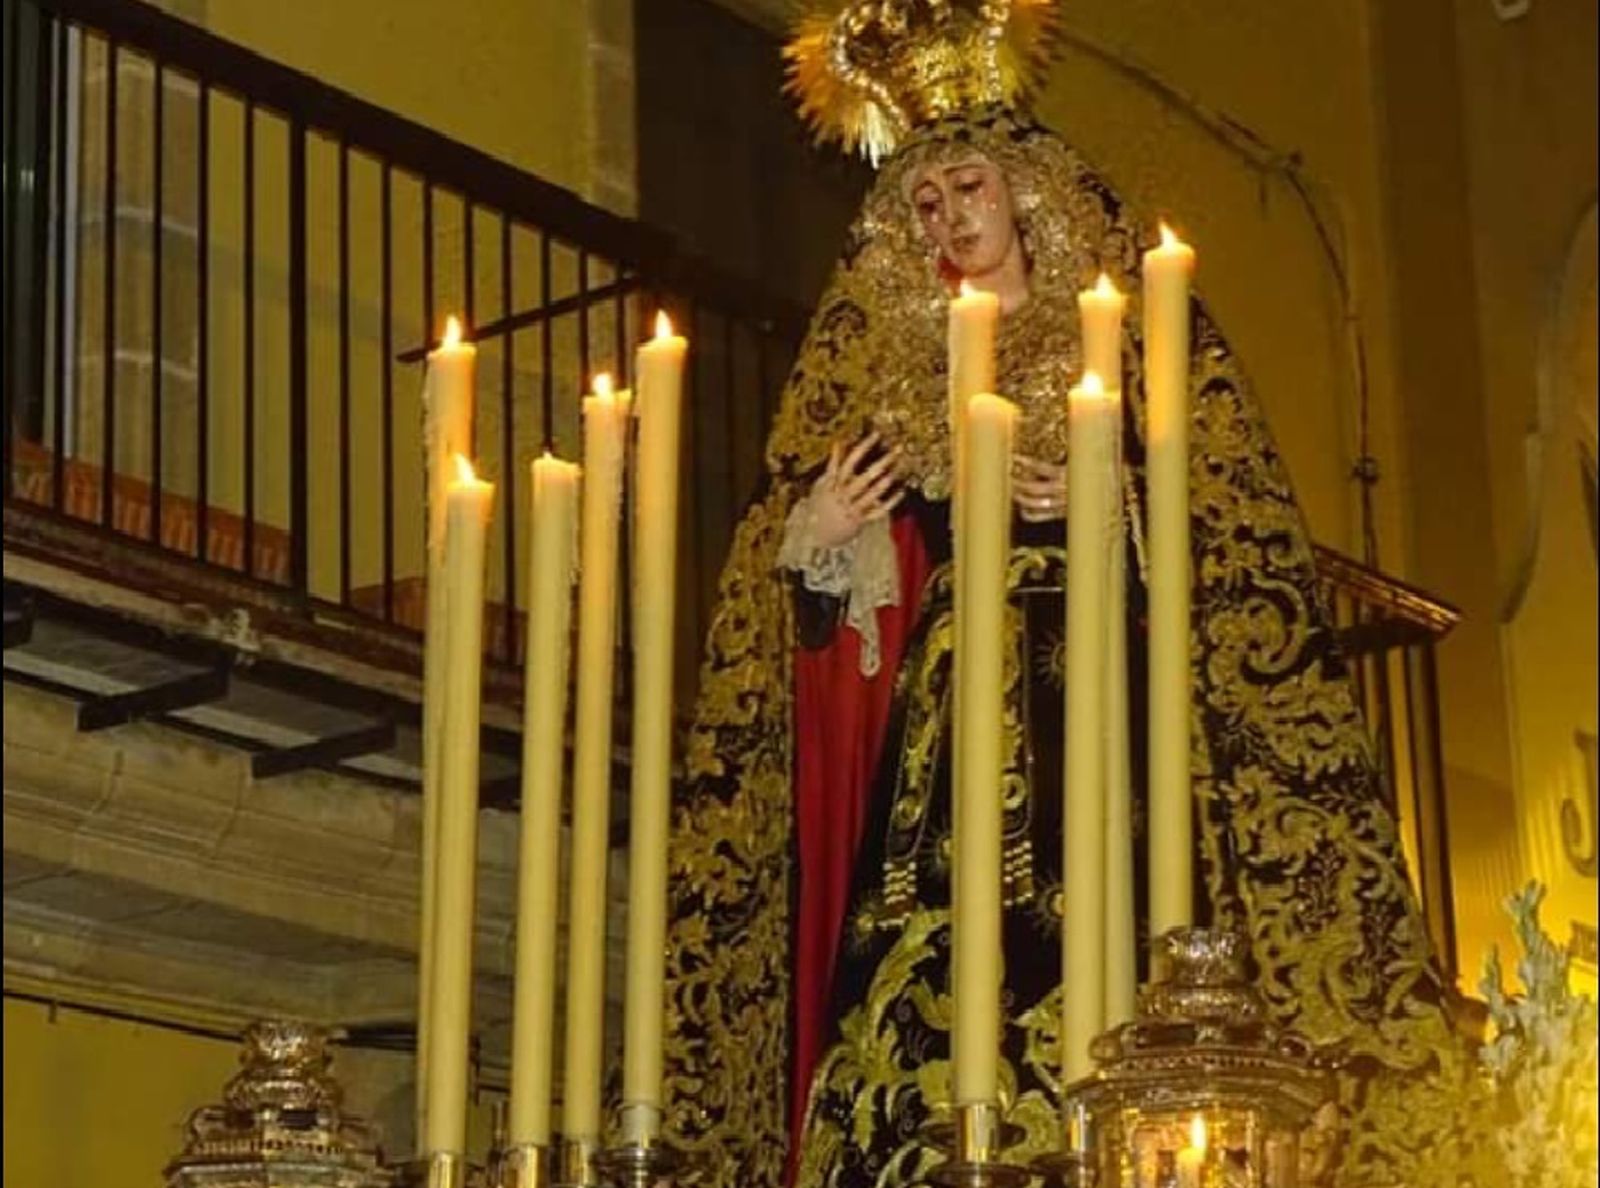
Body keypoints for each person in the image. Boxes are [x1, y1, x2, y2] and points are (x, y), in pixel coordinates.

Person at [664, 4, 1460, 1186]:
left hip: (1094, 694)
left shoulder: (1126, 346)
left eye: (968, 189)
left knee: (1096, 901)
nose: (949, 218)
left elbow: (1232, 535)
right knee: (934, 935)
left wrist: (1114, 500)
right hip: (940, 726)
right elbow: (830, 618)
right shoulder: (890, 376)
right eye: (922, 203)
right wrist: (819, 540)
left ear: (1025, 193)